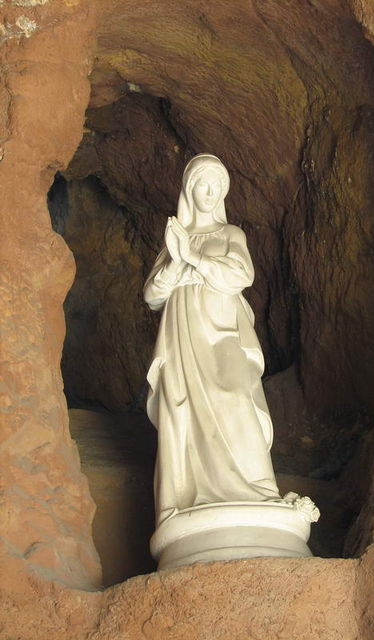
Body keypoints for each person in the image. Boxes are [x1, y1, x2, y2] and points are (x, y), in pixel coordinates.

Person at [144, 154, 280, 526]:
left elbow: (241, 275)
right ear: (189, 190)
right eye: (202, 185)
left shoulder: (230, 234)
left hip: (222, 329)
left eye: (217, 187)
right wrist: (176, 263)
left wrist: (193, 257)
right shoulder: (174, 240)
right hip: (181, 334)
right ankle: (184, 499)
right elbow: (152, 295)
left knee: (235, 394)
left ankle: (258, 489)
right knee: (181, 410)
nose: (209, 193)